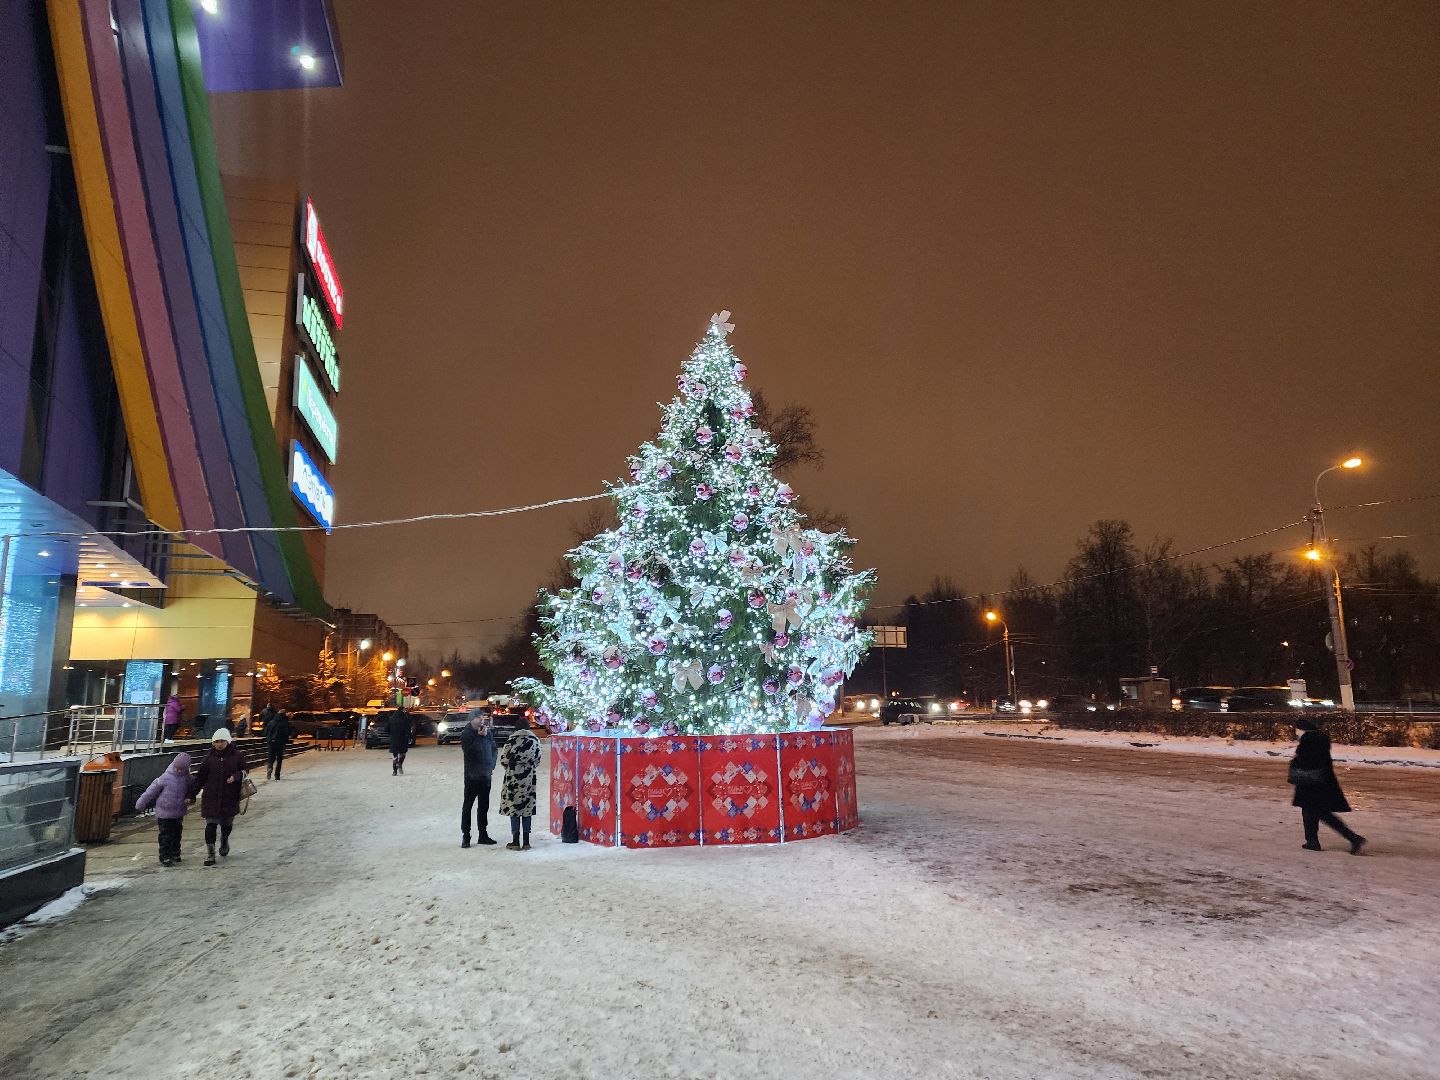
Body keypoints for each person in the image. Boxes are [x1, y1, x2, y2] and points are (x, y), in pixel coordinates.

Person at [1289, 719, 1366, 854]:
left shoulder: (1308, 742)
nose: (1296, 732)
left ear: (1303, 730)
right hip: (1321, 781)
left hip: (1311, 783)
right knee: (1311, 811)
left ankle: (1353, 838)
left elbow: (1306, 762)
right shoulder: (1320, 740)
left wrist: (1295, 760)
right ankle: (1312, 841)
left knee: (1319, 813)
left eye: (1297, 729)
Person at [189, 728, 248, 866]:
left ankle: (224, 839)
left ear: (227, 741)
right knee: (210, 825)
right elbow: (200, 778)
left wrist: (236, 776)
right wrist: (191, 795)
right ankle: (210, 854)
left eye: (221, 741)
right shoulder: (209, 758)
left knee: (227, 824)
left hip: (229, 796)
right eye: (216, 742)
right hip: (211, 797)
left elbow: (245, 770)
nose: (219, 744)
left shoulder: (237, 755)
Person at [134, 752, 193, 866]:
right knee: (165, 835)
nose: (179, 771)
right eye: (177, 768)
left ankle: (175, 852)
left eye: (182, 769)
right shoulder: (165, 778)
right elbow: (150, 792)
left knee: (176, 834)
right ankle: (165, 856)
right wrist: (141, 803)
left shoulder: (188, 779)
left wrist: (190, 799)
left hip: (178, 812)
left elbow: (192, 791)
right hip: (164, 813)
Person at [498, 723, 542, 850]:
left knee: (514, 809)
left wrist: (513, 765)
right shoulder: (534, 740)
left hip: (513, 779)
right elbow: (538, 759)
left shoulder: (511, 740)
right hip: (528, 779)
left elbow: (503, 759)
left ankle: (515, 840)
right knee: (527, 808)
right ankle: (527, 841)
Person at [459, 711, 498, 847]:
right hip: (472, 776)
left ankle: (483, 834)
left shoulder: (487, 732)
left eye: (482, 717)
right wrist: (479, 737)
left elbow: (494, 749)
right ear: (472, 719)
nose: (482, 719)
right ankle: (466, 836)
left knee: (483, 807)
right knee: (468, 806)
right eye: (478, 717)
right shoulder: (467, 733)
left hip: (485, 775)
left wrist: (491, 765)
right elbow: (469, 752)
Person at [265, 708, 291, 781]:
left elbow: (266, 732)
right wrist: (286, 742)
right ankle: (277, 775)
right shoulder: (285, 722)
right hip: (280, 742)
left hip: (271, 742)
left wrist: (269, 738)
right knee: (279, 759)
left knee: (271, 756)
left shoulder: (271, 722)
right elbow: (286, 733)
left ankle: (269, 767)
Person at [389, 706, 413, 776]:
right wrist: (410, 737)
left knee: (395, 755)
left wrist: (391, 733)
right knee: (403, 753)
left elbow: (386, 729)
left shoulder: (391, 719)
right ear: (402, 711)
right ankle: (399, 763)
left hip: (394, 739)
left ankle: (394, 771)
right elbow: (408, 730)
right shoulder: (405, 719)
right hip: (403, 739)